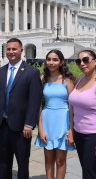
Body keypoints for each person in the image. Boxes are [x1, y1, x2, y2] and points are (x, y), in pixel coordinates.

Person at [0, 38, 43, 179]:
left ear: (21, 50)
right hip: (2, 126)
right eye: (8, 49)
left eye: (14, 49)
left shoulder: (31, 72)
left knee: (22, 163)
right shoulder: (0, 72)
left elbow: (34, 100)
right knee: (3, 163)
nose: (11, 52)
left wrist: (29, 123)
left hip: (21, 128)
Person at [69, 50, 96, 179]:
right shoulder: (80, 79)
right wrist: (71, 130)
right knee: (86, 169)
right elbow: (73, 107)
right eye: (78, 61)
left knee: (90, 173)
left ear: (95, 61)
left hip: (94, 135)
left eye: (86, 60)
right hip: (79, 133)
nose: (82, 63)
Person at [34, 49, 76, 179]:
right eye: (49, 59)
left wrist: (71, 130)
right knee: (48, 159)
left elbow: (73, 106)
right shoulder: (43, 79)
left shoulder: (67, 81)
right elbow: (38, 105)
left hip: (63, 121)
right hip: (47, 121)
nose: (51, 62)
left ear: (61, 62)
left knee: (60, 160)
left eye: (55, 59)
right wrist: (40, 129)